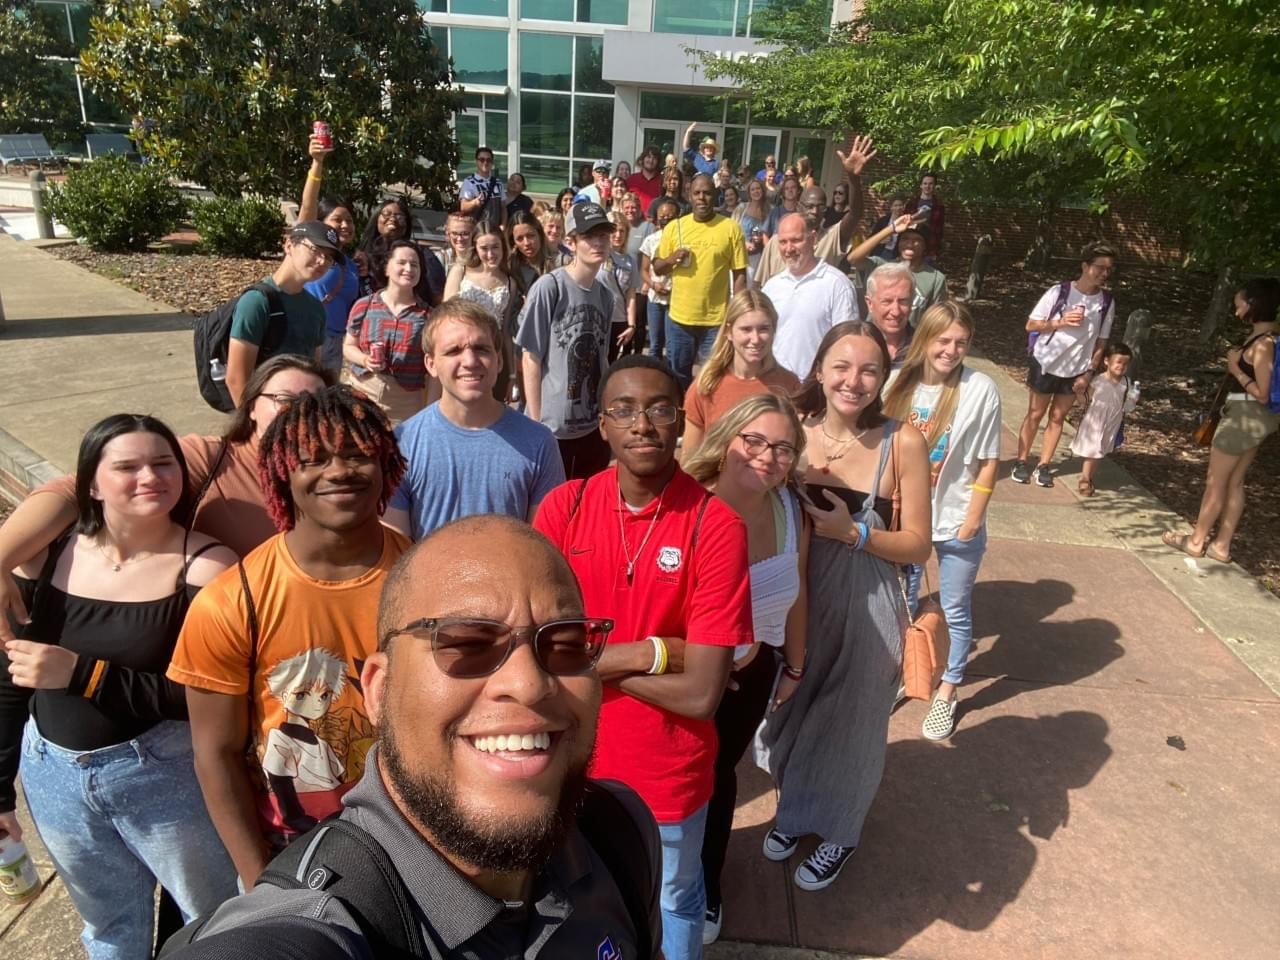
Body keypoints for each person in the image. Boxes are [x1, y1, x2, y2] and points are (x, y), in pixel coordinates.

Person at [165, 515, 664, 960]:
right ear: (379, 690)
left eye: (565, 644)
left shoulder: (619, 832)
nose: (529, 684)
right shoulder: (318, 922)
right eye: (466, 643)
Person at [534, 355, 754, 959]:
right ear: (601, 424)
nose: (643, 425)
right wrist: (659, 652)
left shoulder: (716, 526)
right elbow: (540, 648)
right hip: (570, 760)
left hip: (668, 773)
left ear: (681, 422)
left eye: (659, 409)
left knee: (674, 900)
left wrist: (592, 661)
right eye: (624, 410)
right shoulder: (564, 509)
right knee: (572, 903)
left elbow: (702, 694)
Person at [1, 414, 239, 958]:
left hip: (162, 776)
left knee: (209, 920)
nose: (149, 477)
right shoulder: (46, 554)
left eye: (163, 464)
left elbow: (217, 697)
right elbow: (10, 673)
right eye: (127, 467)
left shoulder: (207, 568)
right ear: (91, 482)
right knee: (108, 928)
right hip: (53, 776)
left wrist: (81, 674)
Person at [167, 386, 409, 887]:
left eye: (359, 455)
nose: (339, 470)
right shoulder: (232, 602)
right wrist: (259, 880)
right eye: (314, 458)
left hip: (414, 835)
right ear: (282, 475)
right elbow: (215, 755)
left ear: (387, 466)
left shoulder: (424, 575)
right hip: (293, 853)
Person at [758, 321, 930, 892]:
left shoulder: (901, 441)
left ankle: (840, 832)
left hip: (867, 600)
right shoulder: (794, 432)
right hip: (799, 597)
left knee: (852, 724)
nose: (853, 381)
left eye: (869, 370)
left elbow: (918, 543)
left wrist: (852, 532)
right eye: (842, 366)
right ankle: (797, 810)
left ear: (883, 378)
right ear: (820, 368)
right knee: (795, 708)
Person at [0, 358, 334, 580]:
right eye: (285, 400)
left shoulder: (342, 473)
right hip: (204, 628)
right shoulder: (213, 457)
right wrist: (2, 561)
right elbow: (70, 490)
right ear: (251, 408)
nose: (303, 410)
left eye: (318, 400)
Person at [682, 394, 809, 944]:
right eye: (753, 440)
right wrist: (697, 664)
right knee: (677, 780)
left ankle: (707, 884)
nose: (766, 456)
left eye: (782, 447)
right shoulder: (687, 507)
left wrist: (795, 666)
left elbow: (797, 594)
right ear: (727, 438)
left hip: (752, 675)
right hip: (683, 674)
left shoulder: (788, 511)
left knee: (719, 779)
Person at [883, 301, 1002, 742]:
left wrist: (973, 518)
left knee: (953, 608)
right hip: (907, 521)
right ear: (925, 339)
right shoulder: (897, 384)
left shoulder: (980, 389)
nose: (951, 350)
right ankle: (909, 672)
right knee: (904, 605)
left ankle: (948, 687)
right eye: (943, 340)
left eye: (961, 343)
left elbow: (989, 461)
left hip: (955, 520)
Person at [385, 300, 563, 541]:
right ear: (431, 364)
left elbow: (544, 544)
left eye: (481, 348)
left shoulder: (540, 443)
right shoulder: (401, 444)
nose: (470, 361)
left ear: (499, 361)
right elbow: (396, 546)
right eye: (453, 351)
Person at [1162, 278, 1280, 561]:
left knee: (1216, 481)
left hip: (1243, 417)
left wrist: (1234, 368)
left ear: (1253, 304)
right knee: (1235, 482)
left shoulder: (1263, 345)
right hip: (1257, 421)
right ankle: (1221, 546)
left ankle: (1196, 540)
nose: (1235, 305)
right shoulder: (1268, 338)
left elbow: (1262, 393)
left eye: (1239, 300)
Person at [517, 202, 617, 480]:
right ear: (571, 242)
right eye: (589, 236)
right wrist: (535, 424)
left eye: (604, 235)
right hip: (552, 429)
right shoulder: (550, 287)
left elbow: (603, 358)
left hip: (590, 427)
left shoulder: (606, 296)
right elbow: (531, 357)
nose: (598, 242)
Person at [1012, 242, 1117, 488]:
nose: (1104, 273)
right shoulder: (1059, 292)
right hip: (1046, 362)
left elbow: (1102, 340)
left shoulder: (1106, 302)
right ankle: (1021, 460)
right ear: (1085, 266)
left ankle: (1044, 465)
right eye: (1099, 267)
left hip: (1077, 369)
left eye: (1109, 269)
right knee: (1036, 414)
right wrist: (1060, 322)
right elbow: (1031, 324)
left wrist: (1089, 372)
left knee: (1058, 417)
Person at [653, 174, 749, 392]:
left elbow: (740, 275)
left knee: (713, 379)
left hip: (715, 322)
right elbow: (657, 267)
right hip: (679, 319)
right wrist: (671, 259)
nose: (702, 198)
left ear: (715, 195)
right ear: (689, 195)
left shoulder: (731, 228)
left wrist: (739, 315)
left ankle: (707, 422)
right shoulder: (675, 227)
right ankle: (681, 420)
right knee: (678, 377)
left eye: (707, 193)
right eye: (697, 193)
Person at [225, 221, 334, 407]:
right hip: (266, 413)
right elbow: (236, 379)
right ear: (289, 245)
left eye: (329, 257)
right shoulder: (256, 302)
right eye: (315, 250)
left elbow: (314, 369)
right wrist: (253, 426)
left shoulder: (316, 308)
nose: (322, 261)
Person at [683, 289, 801, 455]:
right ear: (729, 332)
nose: (755, 339)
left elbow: (796, 452)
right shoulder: (706, 385)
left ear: (774, 330)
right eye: (746, 329)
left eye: (763, 329)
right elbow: (690, 460)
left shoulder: (789, 385)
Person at [754, 135, 877, 286]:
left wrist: (853, 177)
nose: (815, 211)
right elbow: (758, 287)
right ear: (799, 206)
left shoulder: (831, 238)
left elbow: (855, 214)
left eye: (821, 206)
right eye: (810, 206)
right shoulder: (777, 242)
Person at [342, 241, 431, 425]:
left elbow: (434, 366)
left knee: (400, 452)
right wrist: (365, 360)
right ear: (386, 268)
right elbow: (349, 346)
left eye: (415, 265)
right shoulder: (364, 305)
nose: (409, 268)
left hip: (406, 402)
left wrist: (430, 408)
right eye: (402, 262)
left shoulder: (429, 316)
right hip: (363, 392)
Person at [762, 213, 859, 378]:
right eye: (783, 242)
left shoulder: (837, 285)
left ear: (813, 239)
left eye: (796, 240)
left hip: (815, 387)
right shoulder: (771, 287)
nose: (789, 249)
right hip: (775, 385)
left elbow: (847, 342)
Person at [298, 136, 360, 374]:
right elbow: (307, 206)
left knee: (325, 400)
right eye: (337, 220)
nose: (345, 225)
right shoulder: (309, 250)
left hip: (335, 342)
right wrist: (317, 163)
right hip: (307, 337)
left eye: (349, 220)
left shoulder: (350, 263)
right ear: (320, 223)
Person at [847, 214, 949, 328]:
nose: (910, 244)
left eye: (917, 240)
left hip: (909, 342)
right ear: (898, 243)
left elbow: (936, 320)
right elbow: (853, 259)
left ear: (925, 246)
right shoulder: (882, 266)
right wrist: (892, 229)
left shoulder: (935, 279)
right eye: (905, 239)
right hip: (874, 337)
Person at [1070, 342, 1140, 496]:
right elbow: (1085, 400)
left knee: (1100, 450)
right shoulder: (1098, 380)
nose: (1121, 367)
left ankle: (1089, 477)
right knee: (1093, 450)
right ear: (1107, 361)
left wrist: (1133, 400)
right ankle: (1084, 479)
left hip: (1112, 422)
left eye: (1125, 364)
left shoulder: (1126, 383)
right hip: (1095, 421)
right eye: (1118, 362)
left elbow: (1126, 406)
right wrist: (1079, 393)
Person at [357, 198, 444, 306]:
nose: (392, 218)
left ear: (407, 223)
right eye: (386, 214)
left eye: (399, 215)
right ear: (376, 218)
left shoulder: (423, 255)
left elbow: (438, 299)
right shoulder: (363, 256)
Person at [639, 199, 679, 362]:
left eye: (670, 216)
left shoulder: (683, 240)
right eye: (662, 216)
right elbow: (643, 269)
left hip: (674, 298)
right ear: (656, 218)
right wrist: (653, 285)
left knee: (671, 345)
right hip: (655, 299)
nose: (666, 219)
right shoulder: (651, 240)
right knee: (655, 345)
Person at [864, 261, 917, 369]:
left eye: (903, 301)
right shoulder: (854, 346)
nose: (896, 311)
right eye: (887, 301)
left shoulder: (923, 348)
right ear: (870, 303)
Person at [603, 211, 640, 363]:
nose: (617, 235)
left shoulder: (630, 261)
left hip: (619, 319)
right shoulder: (600, 254)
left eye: (622, 231)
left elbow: (631, 295)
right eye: (613, 230)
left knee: (611, 360)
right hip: (599, 318)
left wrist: (631, 325)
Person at [508, 209, 554, 296]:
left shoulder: (558, 262)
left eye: (531, 236)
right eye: (520, 239)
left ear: (539, 235)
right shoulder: (510, 267)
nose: (527, 243)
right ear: (513, 242)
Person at [458, 146, 506, 228]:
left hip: (495, 230)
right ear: (476, 161)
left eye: (488, 160)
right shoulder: (469, 182)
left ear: (492, 162)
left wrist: (503, 225)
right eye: (482, 160)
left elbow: (503, 208)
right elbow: (463, 207)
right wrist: (475, 202)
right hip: (477, 230)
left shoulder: (498, 183)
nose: (485, 163)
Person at [735, 178, 771, 285]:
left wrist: (760, 240)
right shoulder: (741, 208)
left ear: (762, 190)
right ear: (749, 193)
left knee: (751, 289)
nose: (756, 191)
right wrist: (743, 243)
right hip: (739, 253)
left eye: (758, 188)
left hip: (756, 258)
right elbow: (732, 230)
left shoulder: (769, 210)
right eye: (753, 189)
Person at [904, 172, 945, 259]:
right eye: (925, 183)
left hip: (929, 245)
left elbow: (939, 229)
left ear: (934, 186)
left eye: (931, 184)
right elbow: (905, 223)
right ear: (921, 185)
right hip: (911, 243)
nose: (927, 186)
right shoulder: (912, 203)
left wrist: (936, 250)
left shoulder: (939, 205)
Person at [434, 210, 475, 276]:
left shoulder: (482, 258)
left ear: (474, 234)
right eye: (455, 233)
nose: (460, 238)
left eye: (465, 234)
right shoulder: (440, 259)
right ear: (448, 234)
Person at [628, 146, 664, 211]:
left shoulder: (663, 181)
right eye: (648, 157)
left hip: (656, 220)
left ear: (658, 162)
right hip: (635, 220)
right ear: (642, 159)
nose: (651, 161)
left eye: (654, 158)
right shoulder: (631, 179)